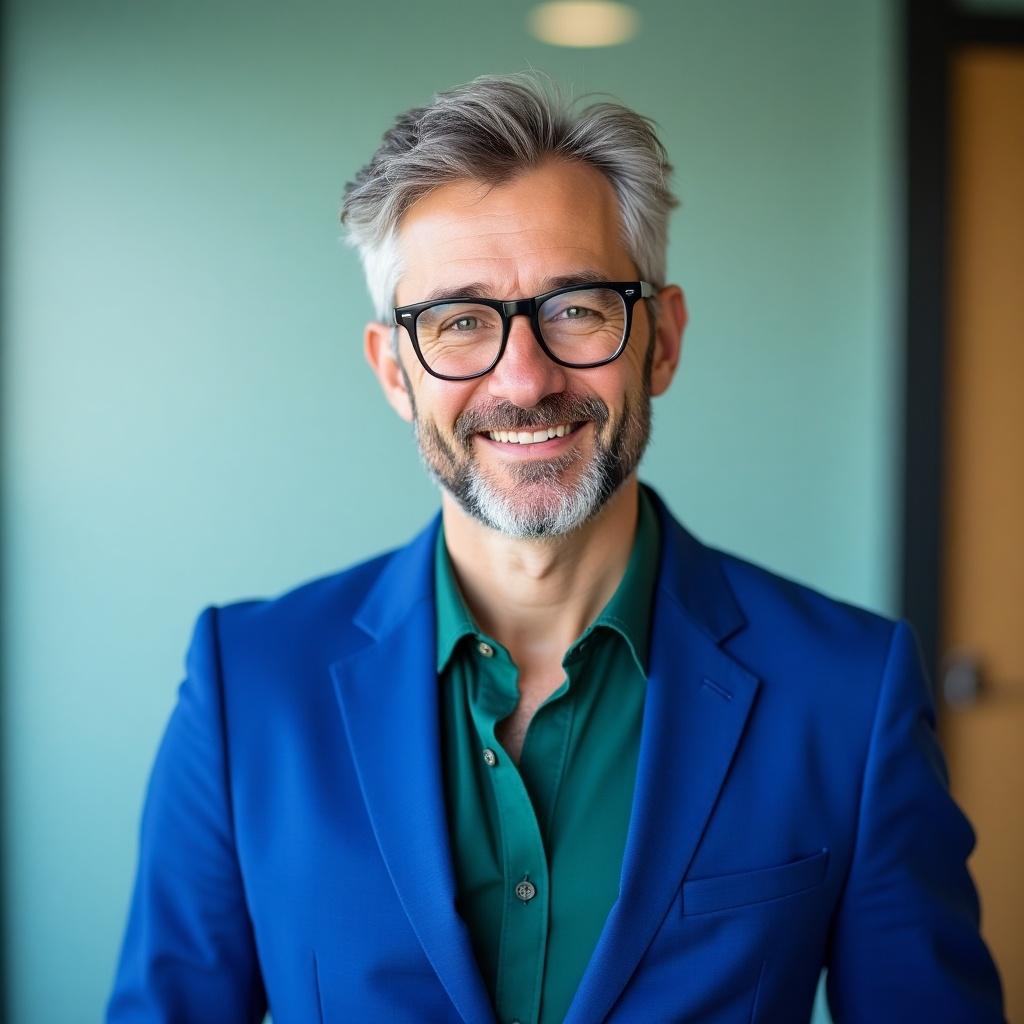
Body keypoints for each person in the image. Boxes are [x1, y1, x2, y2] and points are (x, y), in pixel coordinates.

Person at [107, 74, 1005, 1024]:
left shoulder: (848, 692)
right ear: (393, 371)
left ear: (660, 341)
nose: (525, 378)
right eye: (459, 322)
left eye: (577, 308)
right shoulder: (246, 686)